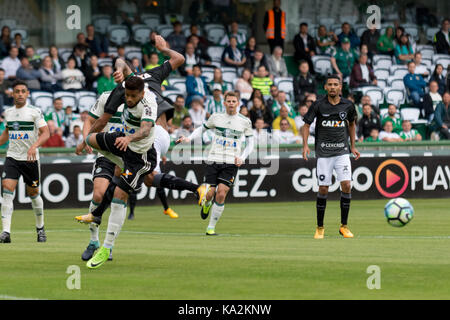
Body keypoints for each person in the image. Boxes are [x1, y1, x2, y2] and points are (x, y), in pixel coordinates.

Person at [177, 92, 254, 236]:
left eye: (234, 101)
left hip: (231, 162)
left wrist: (242, 157)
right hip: (213, 159)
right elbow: (202, 129)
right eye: (229, 101)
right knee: (209, 194)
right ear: (224, 103)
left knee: (221, 193)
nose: (231, 103)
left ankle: (210, 228)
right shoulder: (216, 117)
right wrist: (189, 138)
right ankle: (206, 205)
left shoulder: (245, 121)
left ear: (238, 103)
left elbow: (251, 142)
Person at [302, 74, 360, 239]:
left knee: (347, 185)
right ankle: (320, 227)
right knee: (323, 189)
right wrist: (305, 145)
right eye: (330, 85)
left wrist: (353, 146)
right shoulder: (318, 105)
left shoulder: (348, 105)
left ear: (340, 87)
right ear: (325, 87)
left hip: (342, 152)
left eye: (336, 84)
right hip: (324, 153)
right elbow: (306, 125)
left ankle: (344, 226)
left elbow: (352, 124)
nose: (333, 87)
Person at [0, 80, 50, 244]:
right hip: (12, 157)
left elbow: (45, 133)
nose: (20, 94)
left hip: (30, 159)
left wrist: (34, 147)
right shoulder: (8, 112)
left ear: (27, 93)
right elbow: (7, 133)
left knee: (33, 193)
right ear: (12, 94)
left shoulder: (34, 112)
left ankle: (40, 228)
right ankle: (5, 232)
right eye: (17, 91)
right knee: (7, 189)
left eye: (23, 91)